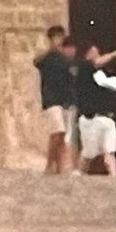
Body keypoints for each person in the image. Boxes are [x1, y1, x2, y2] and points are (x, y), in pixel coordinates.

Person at [76, 37, 116, 175]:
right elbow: (98, 62)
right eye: (94, 52)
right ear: (87, 55)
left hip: (106, 118)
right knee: (89, 154)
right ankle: (80, 175)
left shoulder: (102, 76)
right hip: (91, 119)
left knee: (109, 152)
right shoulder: (84, 68)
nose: (97, 55)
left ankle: (114, 177)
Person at [34, 21, 78, 174]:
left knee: (62, 135)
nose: (57, 40)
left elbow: (71, 78)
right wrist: (50, 51)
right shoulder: (47, 57)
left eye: (59, 37)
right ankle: (49, 165)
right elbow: (37, 61)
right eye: (55, 38)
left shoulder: (66, 58)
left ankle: (58, 167)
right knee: (57, 131)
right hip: (51, 100)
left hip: (64, 100)